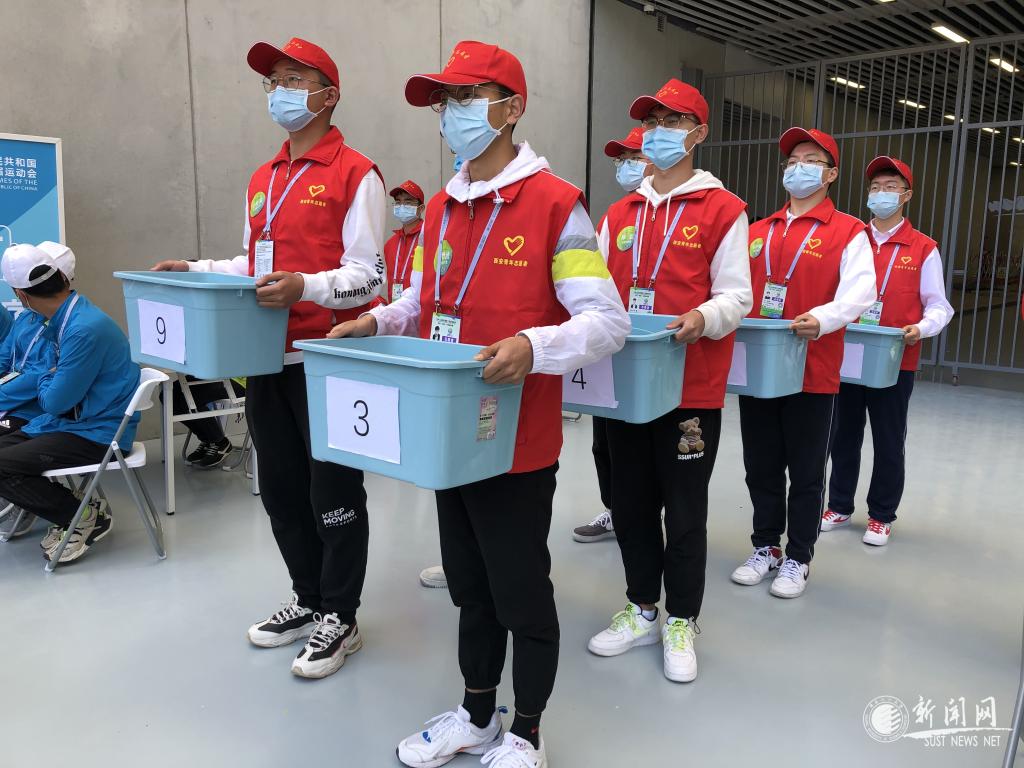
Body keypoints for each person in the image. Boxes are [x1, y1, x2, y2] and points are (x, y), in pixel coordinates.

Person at [330, 40, 629, 768]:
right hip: (450, 437)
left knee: (519, 590)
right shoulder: (441, 207)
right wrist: (375, 321)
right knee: (468, 586)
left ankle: (528, 730)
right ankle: (475, 715)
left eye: (466, 97)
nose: (450, 113)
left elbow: (606, 320)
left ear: (511, 107)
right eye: (445, 101)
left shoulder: (557, 205)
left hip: (515, 441)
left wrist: (533, 344)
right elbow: (421, 301)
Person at [151, 37, 386, 679]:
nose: (279, 91)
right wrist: (197, 267)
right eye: (273, 81)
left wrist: (305, 287)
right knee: (281, 489)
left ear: (328, 96)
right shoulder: (265, 178)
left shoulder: (357, 174)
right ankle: (308, 598)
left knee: (333, 491)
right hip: (264, 358)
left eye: (293, 79)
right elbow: (253, 265)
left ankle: (342, 615)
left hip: (324, 359)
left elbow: (369, 276)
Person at [586, 80, 751, 682]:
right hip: (626, 384)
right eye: (652, 120)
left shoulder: (723, 210)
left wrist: (703, 317)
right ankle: (641, 608)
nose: (657, 131)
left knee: (683, 510)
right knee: (630, 503)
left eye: (672, 121)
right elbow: (593, 289)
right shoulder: (619, 214)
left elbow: (738, 295)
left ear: (698, 134)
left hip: (689, 386)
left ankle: (682, 617)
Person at [730, 127, 876, 599]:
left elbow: (862, 291)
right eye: (793, 160)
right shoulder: (758, 231)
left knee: (807, 471)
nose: (799, 168)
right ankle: (766, 546)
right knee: (761, 464)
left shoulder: (848, 231)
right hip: (759, 369)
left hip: (812, 370)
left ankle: (798, 556)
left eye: (812, 160)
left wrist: (825, 318)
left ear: (831, 174)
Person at [823, 156, 953, 545]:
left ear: (906, 196)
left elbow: (939, 305)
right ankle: (839, 505)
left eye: (891, 187)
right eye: (876, 187)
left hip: (894, 359)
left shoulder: (923, 248)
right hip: (847, 353)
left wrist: (920, 328)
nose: (881, 193)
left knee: (888, 439)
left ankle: (881, 514)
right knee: (842, 435)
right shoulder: (852, 239)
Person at [0, 243, 139, 562]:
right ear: (62, 278)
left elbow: (53, 401)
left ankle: (81, 516)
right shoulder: (68, 318)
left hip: (98, 433)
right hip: (72, 423)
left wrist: (45, 378)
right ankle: (67, 506)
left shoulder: (81, 329)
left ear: (21, 295)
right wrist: (49, 376)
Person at [572, 125, 651, 544]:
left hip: (654, 348)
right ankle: (615, 509)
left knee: (642, 441)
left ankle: (642, 514)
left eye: (634, 158)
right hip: (611, 341)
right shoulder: (614, 216)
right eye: (621, 160)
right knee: (604, 439)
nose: (625, 167)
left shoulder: (677, 214)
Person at [0, 243, 70, 539]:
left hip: (35, 412)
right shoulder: (27, 318)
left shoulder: (67, 326)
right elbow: (6, 357)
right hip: (17, 404)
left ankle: (30, 501)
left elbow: (40, 377)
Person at [167, 376, 247, 468]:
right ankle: (208, 439)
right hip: (215, 375)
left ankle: (219, 441)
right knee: (169, 395)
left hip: (239, 381)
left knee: (190, 397)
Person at [385, 180, 425, 303]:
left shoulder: (429, 237)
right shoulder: (390, 244)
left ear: (421, 208)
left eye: (408, 202)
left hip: (420, 309)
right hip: (394, 309)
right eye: (398, 202)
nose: (402, 206)